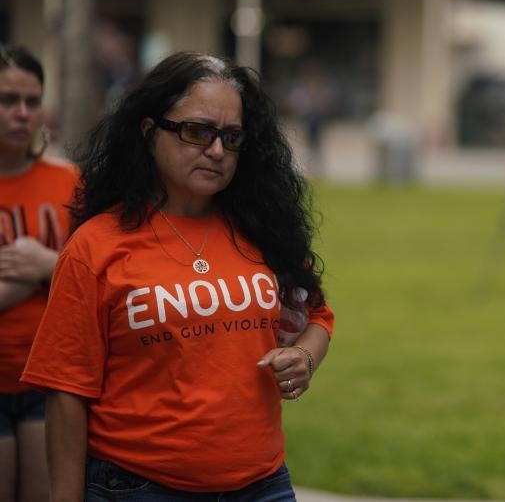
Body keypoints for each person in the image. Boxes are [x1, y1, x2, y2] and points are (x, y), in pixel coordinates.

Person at [20, 51, 334, 500]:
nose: (217, 151)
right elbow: (67, 391)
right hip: (140, 487)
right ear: (150, 132)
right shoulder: (96, 245)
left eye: (231, 137)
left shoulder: (263, 229)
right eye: (197, 132)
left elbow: (317, 317)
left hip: (263, 485)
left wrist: (304, 357)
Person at [0, 44, 76, 502]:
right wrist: (33, 278)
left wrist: (49, 264)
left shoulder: (68, 182)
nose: (22, 113)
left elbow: (99, 278)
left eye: (32, 101)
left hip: (49, 380)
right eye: (7, 100)